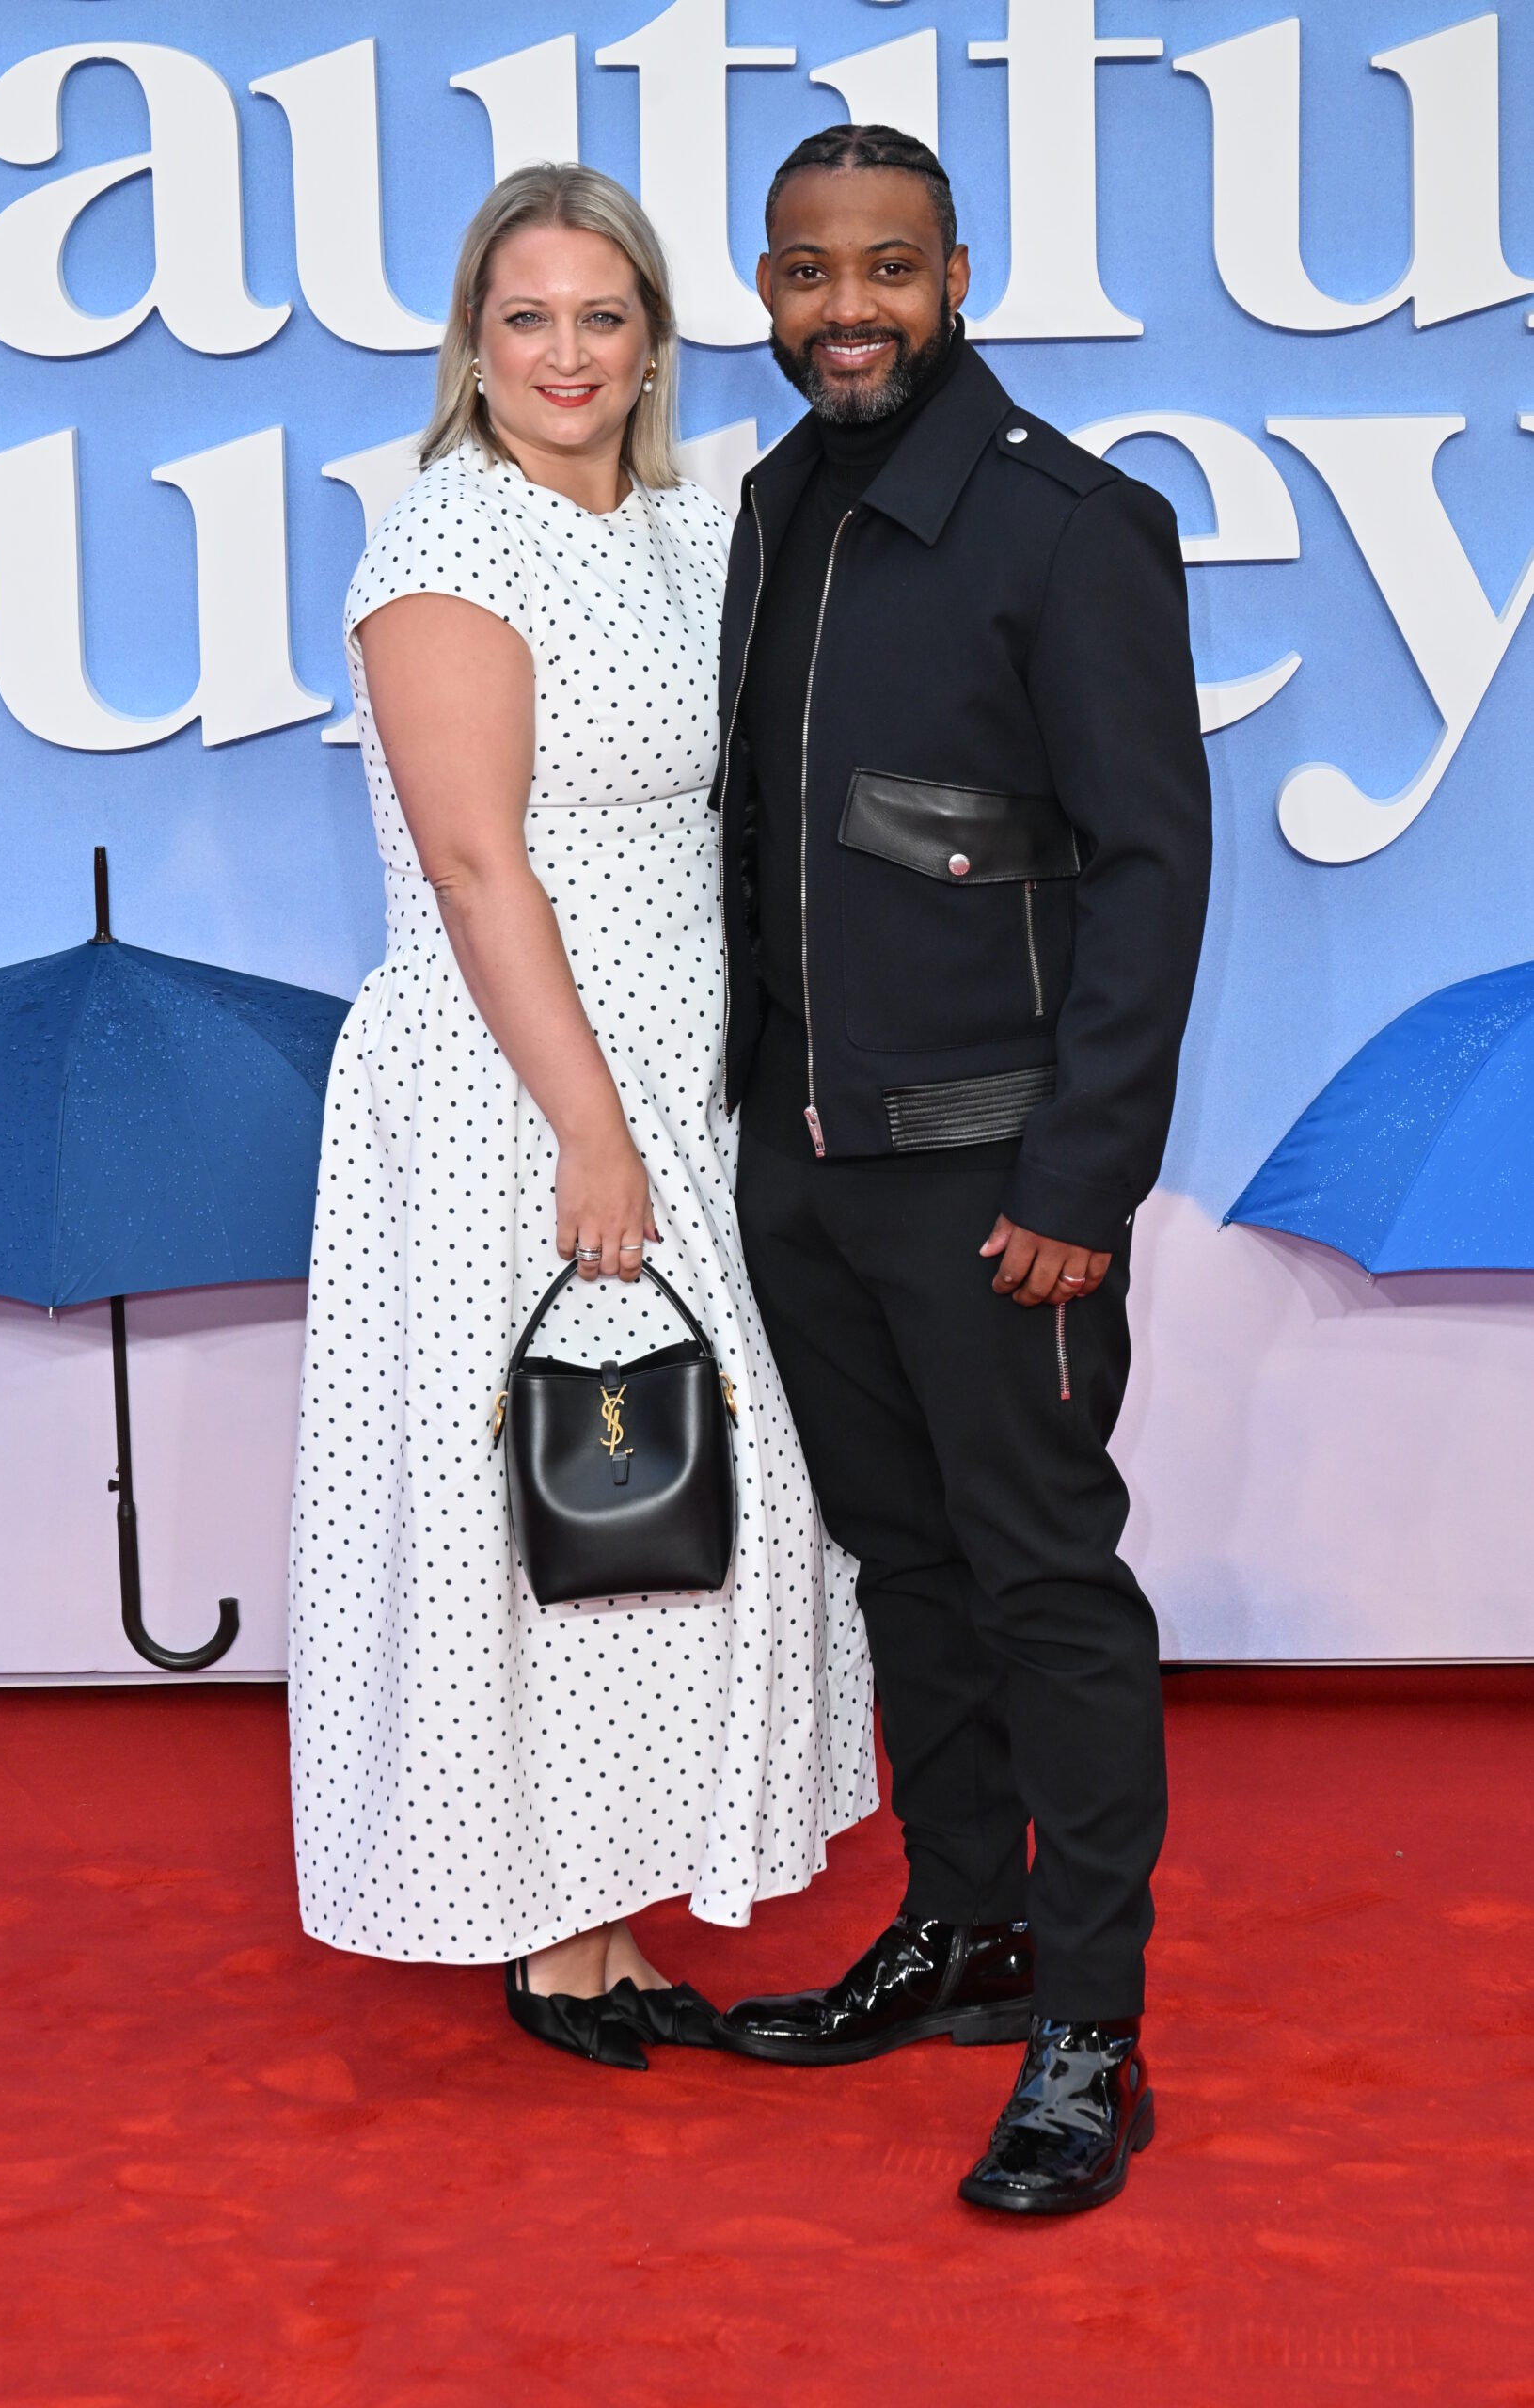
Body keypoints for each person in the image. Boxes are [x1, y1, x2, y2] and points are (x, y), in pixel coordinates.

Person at [288, 165, 876, 2071]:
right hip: (504, 1089)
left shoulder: (693, 530)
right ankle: (543, 1926)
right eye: (524, 315)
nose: (563, 350)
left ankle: (615, 1908)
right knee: (544, 1489)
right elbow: (474, 868)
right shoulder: (442, 546)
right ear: (473, 340)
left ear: (648, 345)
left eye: (599, 316)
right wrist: (587, 1129)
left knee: (673, 1486)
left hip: (680, 1074)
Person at [712, 126, 1212, 2214]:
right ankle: (965, 1927)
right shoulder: (769, 500)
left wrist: (1080, 1182)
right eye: (811, 270)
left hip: (997, 1187)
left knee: (1042, 1583)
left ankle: (1089, 2020)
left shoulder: (1068, 524)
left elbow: (1146, 867)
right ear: (764, 284)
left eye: (889, 268)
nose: (848, 308)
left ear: (957, 275)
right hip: (807, 1171)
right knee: (901, 1571)